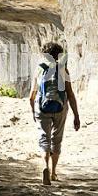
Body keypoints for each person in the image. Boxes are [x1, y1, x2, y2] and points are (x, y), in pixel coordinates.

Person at [29, 42, 80, 185]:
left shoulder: (39, 69)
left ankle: (44, 167)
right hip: (60, 107)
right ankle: (53, 172)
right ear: (59, 55)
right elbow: (70, 94)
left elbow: (31, 95)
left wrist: (34, 111)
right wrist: (76, 115)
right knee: (56, 139)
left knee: (44, 138)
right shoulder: (63, 69)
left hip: (42, 107)